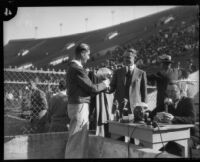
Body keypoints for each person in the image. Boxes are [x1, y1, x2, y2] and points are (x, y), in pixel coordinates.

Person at [64, 43, 110, 158]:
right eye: (88, 54)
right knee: (77, 140)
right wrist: (105, 84)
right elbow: (92, 88)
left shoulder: (72, 68)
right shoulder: (77, 69)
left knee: (78, 139)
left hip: (76, 105)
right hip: (79, 106)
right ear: (82, 53)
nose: (89, 57)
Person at [153, 83, 199, 156]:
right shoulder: (167, 103)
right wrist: (156, 116)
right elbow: (153, 114)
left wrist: (173, 118)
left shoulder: (188, 101)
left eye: (173, 91)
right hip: (172, 134)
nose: (170, 94)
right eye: (168, 91)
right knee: (159, 145)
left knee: (177, 147)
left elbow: (192, 119)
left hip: (190, 134)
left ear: (180, 91)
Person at [109, 48, 147, 116]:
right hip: (119, 108)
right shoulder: (117, 72)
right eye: (124, 57)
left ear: (134, 58)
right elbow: (111, 88)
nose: (126, 59)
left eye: (128, 57)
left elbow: (144, 93)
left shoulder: (141, 73)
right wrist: (104, 86)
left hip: (135, 108)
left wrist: (144, 107)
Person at [148, 54, 181, 118]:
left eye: (160, 63)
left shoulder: (161, 74)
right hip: (174, 102)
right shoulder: (176, 71)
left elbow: (147, 77)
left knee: (160, 119)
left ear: (163, 64)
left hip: (162, 103)